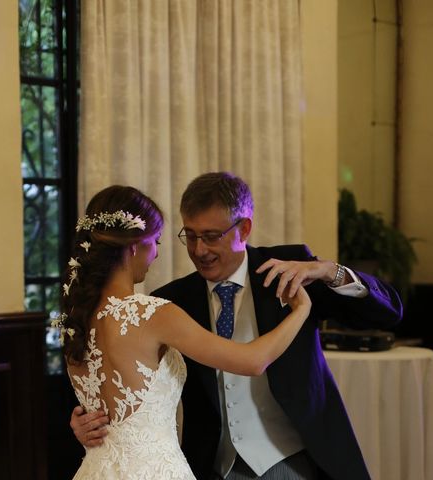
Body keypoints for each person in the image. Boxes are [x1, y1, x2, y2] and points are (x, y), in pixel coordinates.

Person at [70, 172, 404, 480]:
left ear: (243, 229)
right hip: (210, 466)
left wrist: (330, 272)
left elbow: (387, 314)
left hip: (293, 462)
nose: (200, 250)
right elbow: (117, 381)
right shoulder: (168, 301)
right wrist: (86, 420)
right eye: (191, 236)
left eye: (212, 236)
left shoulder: (291, 271)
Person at [55, 184, 312, 479]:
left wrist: (80, 422)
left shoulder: (75, 320)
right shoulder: (153, 314)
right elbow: (253, 360)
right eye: (156, 242)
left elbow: (103, 405)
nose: (154, 255)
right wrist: (301, 310)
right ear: (136, 245)